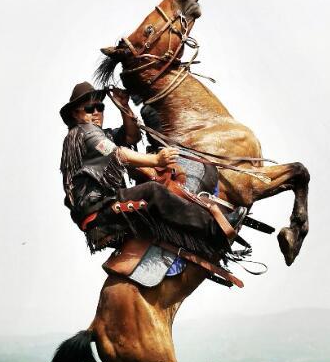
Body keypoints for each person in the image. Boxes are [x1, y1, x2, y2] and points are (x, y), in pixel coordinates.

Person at [59, 81, 244, 258]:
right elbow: (119, 153)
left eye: (100, 107)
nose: (97, 112)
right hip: (100, 211)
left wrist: (124, 106)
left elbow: (131, 136)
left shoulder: (101, 134)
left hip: (102, 207)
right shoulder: (82, 133)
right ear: (76, 114)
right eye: (90, 109)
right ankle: (216, 229)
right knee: (153, 191)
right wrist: (156, 159)